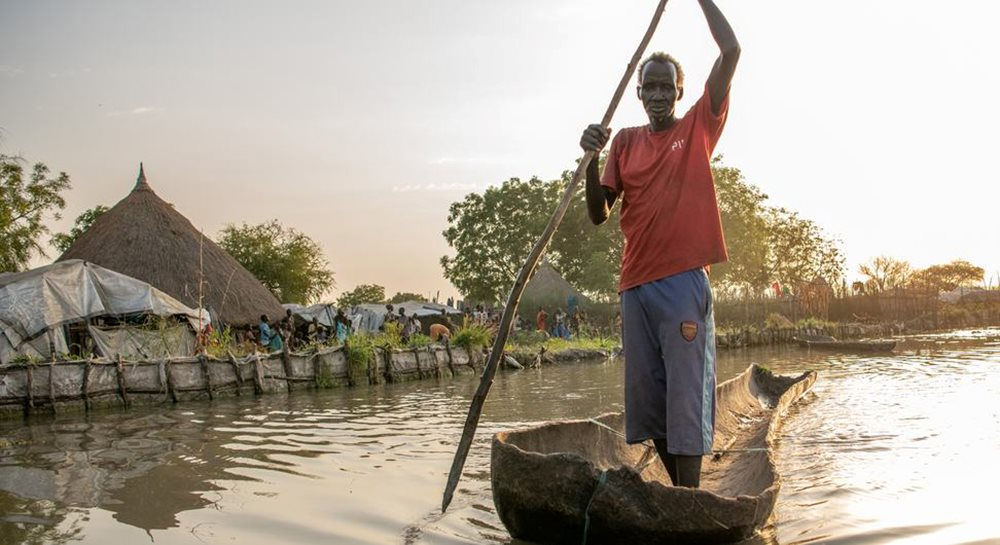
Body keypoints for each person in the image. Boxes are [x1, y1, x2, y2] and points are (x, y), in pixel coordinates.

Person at [579, 0, 739, 489]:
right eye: (649, 86)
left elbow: (731, 50)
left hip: (682, 282)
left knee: (686, 397)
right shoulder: (624, 142)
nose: (657, 94)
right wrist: (591, 159)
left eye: (666, 86)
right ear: (638, 91)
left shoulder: (697, 127)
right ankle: (679, 492)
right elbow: (598, 212)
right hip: (635, 286)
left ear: (680, 91)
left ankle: (688, 501)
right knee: (650, 401)